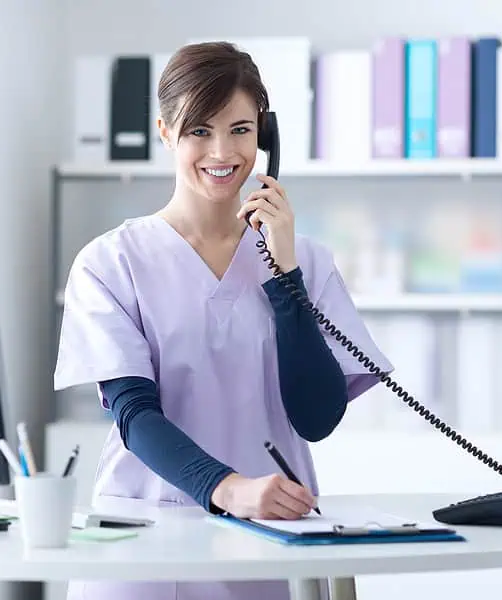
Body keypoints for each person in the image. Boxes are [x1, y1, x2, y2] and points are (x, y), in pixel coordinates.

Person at [53, 41, 394, 600]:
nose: (221, 150)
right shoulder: (110, 262)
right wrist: (227, 488)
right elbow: (134, 415)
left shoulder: (305, 260)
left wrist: (284, 275)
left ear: (265, 134)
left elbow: (316, 417)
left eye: (240, 129)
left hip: (268, 537)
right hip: (143, 542)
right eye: (198, 130)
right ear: (165, 132)